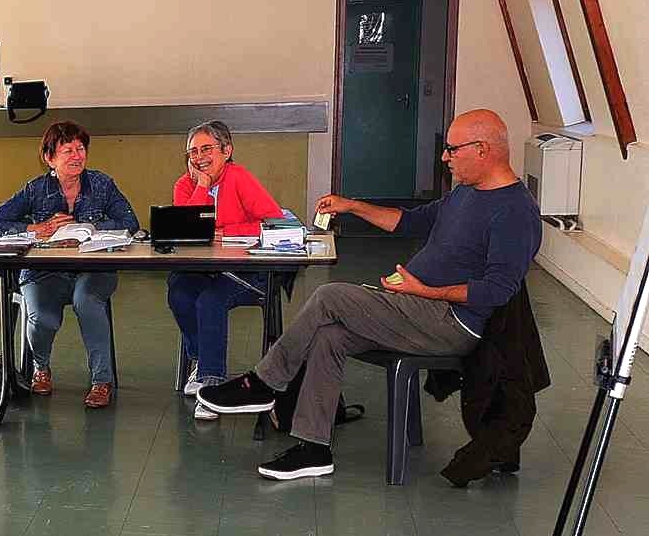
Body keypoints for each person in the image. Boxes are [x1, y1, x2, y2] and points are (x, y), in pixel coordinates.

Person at [200, 109, 542, 481]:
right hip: (417, 307)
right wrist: (352, 206)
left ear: (482, 149)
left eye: (452, 149)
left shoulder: (515, 211)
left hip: (452, 322)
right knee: (330, 336)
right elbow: (409, 221)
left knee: (330, 297)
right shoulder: (466, 192)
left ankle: (263, 383)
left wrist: (424, 290)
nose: (445, 157)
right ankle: (314, 448)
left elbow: (497, 290)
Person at [0, 119, 138, 408]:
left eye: (81, 149)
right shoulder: (35, 189)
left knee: (87, 301)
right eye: (68, 151)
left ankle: (101, 381)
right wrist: (36, 229)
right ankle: (40, 367)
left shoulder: (102, 184)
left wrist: (88, 226)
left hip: (93, 269)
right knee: (43, 317)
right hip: (44, 272)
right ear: (49, 158)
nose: (77, 156)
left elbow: (130, 223)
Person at [165, 120, 283, 421]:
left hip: (246, 271)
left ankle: (211, 382)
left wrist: (226, 232)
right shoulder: (184, 185)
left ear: (226, 151)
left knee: (210, 300)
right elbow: (185, 229)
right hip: (204, 269)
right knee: (179, 292)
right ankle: (202, 359)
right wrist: (202, 186)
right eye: (193, 151)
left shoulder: (239, 177)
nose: (199, 157)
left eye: (207, 149)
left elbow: (274, 222)